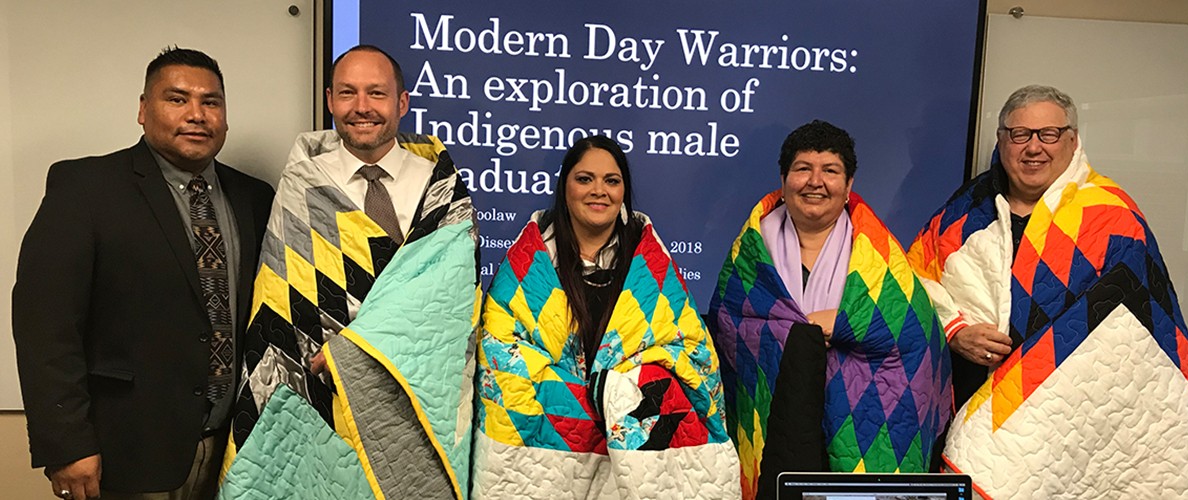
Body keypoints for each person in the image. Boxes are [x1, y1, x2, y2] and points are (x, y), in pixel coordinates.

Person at [908, 84, 1188, 497]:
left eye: (1048, 134)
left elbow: (1136, 335)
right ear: (1001, 140)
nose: (1033, 148)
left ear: (1072, 140)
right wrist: (955, 330)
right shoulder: (967, 205)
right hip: (965, 391)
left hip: (1066, 423)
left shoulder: (1111, 215)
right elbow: (915, 277)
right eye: (1020, 134)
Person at [12, 47, 275, 500]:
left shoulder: (253, 196)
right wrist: (67, 444)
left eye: (210, 102)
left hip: (235, 452)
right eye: (177, 99)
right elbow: (45, 326)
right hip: (125, 453)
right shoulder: (85, 189)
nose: (196, 114)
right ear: (142, 109)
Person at [219, 45, 478, 498]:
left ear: (402, 103)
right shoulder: (302, 185)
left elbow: (447, 302)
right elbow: (282, 304)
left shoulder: (443, 189)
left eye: (377, 93)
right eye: (348, 93)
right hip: (315, 386)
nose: (362, 107)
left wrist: (356, 352)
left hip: (407, 387)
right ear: (329, 100)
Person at [473, 135, 739, 499]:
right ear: (564, 187)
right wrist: (586, 404)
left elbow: (692, 353)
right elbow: (500, 357)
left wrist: (617, 391)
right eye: (585, 179)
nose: (599, 190)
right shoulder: (528, 264)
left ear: (624, 192)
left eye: (611, 181)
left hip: (629, 466)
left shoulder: (651, 266)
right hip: (550, 459)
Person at [708, 120, 953, 499]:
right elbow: (731, 327)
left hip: (858, 414)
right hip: (779, 418)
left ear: (849, 184)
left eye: (831, 171)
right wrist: (800, 335)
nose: (815, 181)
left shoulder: (877, 254)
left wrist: (843, 324)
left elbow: (914, 333)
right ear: (784, 178)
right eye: (803, 168)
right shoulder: (754, 247)